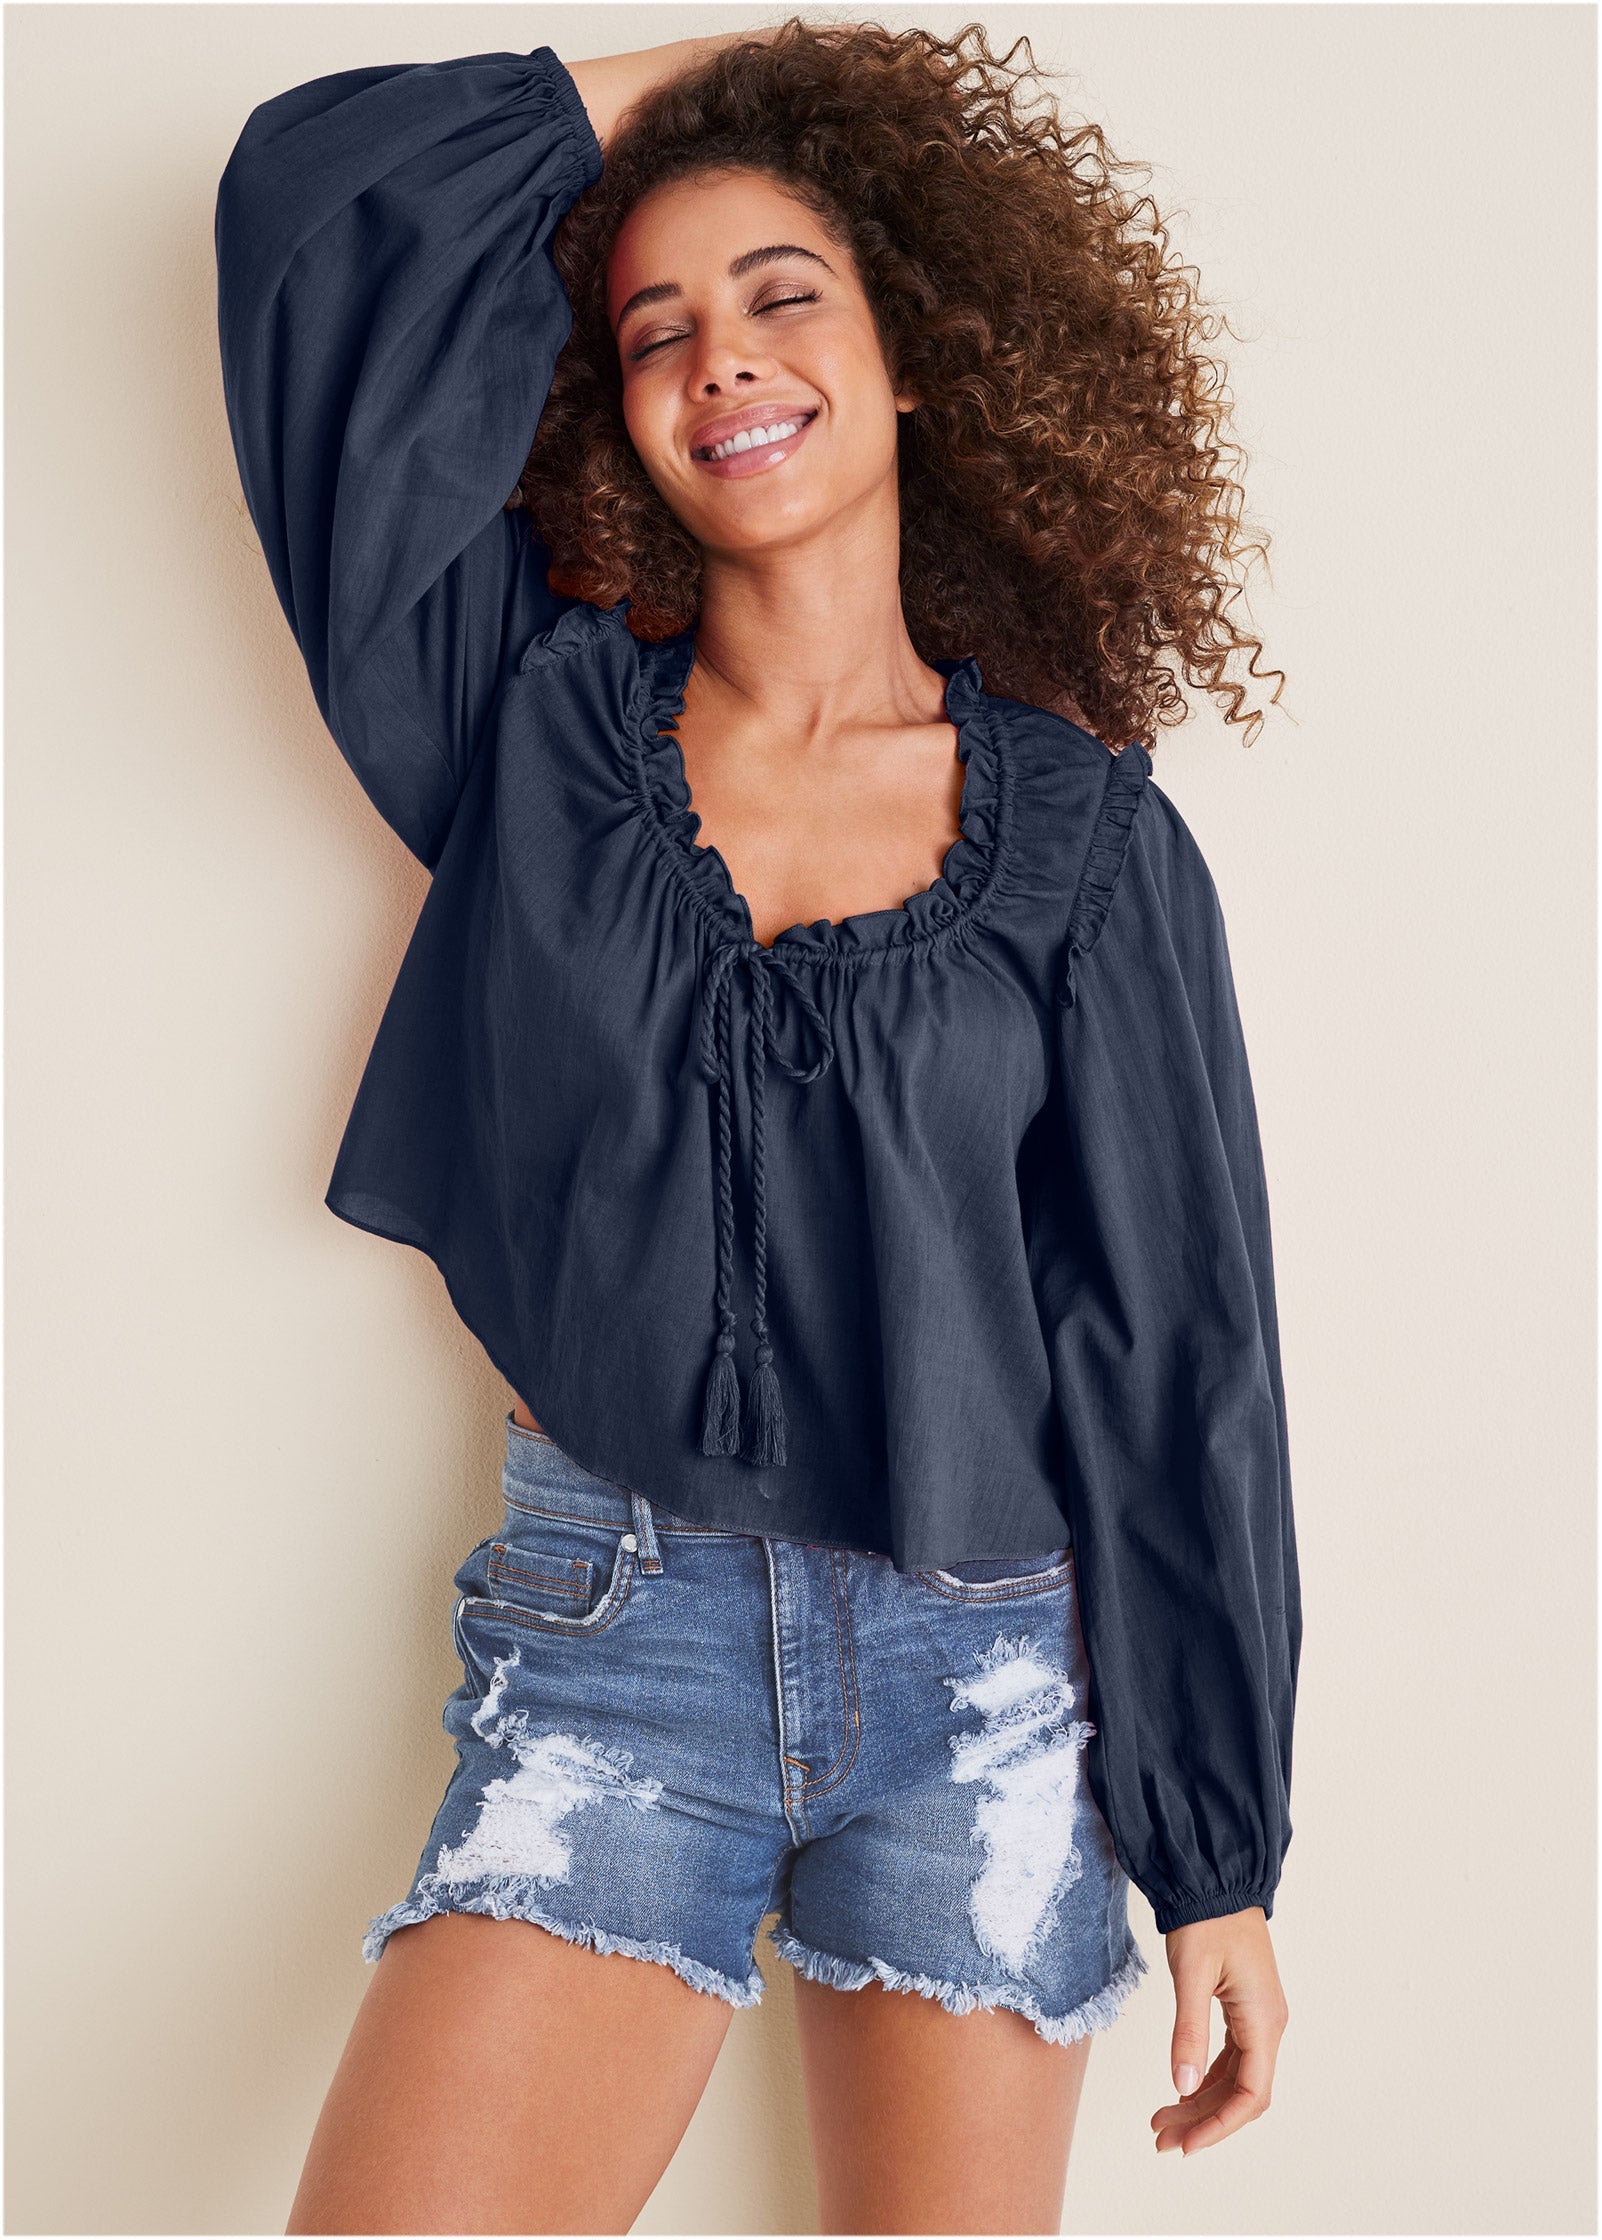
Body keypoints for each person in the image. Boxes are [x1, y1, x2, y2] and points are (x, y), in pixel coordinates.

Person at [214, 19, 1301, 2233]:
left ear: (919, 359)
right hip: (615, 1640)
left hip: (985, 1676)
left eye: (785, 291)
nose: (719, 353)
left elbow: (1175, 1349)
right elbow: (307, 202)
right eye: (654, 328)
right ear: (612, 410)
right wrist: (765, 64)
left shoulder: (1089, 842)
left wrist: (1216, 1852)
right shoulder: (530, 733)